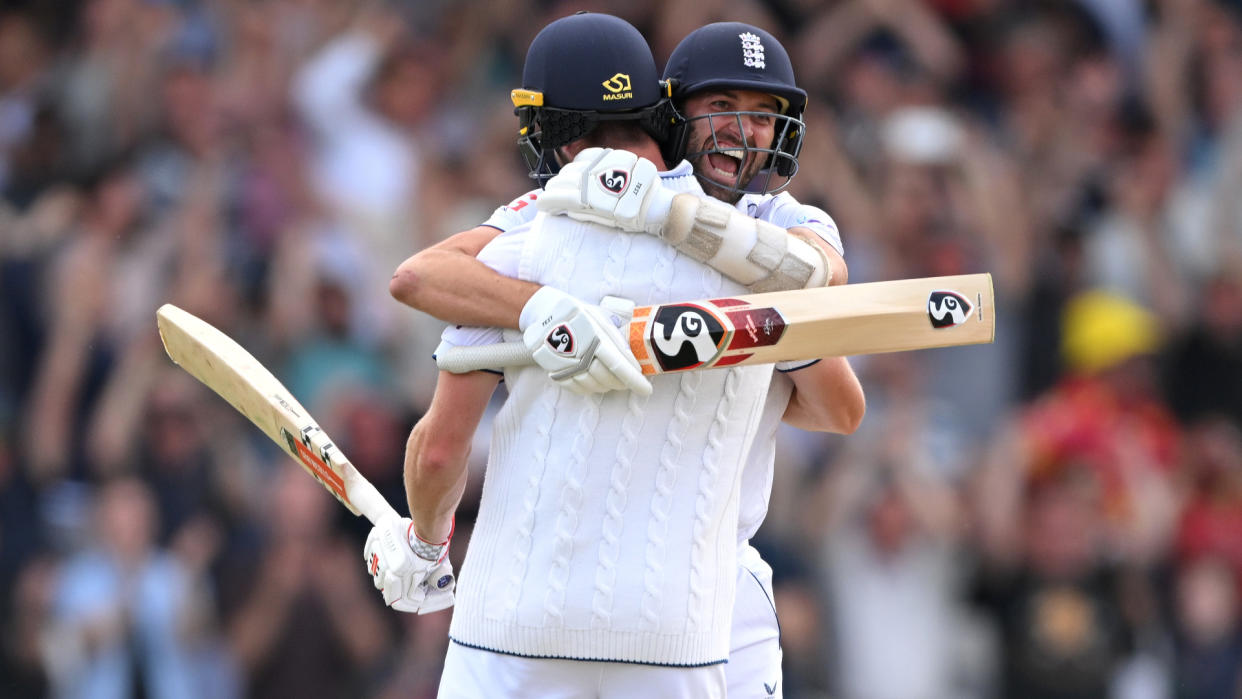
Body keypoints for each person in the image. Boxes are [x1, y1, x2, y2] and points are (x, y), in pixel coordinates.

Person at [379, 21, 865, 698]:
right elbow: (420, 276)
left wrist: (426, 542)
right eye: (722, 107)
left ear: (559, 134)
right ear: (669, 112)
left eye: (763, 115)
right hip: (686, 622)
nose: (743, 131)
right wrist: (541, 307)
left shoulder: (770, 231)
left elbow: (436, 436)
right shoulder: (542, 227)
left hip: (526, 616)